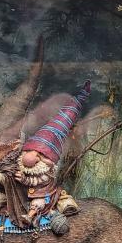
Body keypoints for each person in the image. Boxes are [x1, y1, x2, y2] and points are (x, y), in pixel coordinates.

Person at [14, 80, 90, 234]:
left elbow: (34, 181)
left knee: (38, 203)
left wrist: (24, 179)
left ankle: (30, 216)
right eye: (30, 151)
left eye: (41, 154)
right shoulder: (26, 160)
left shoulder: (46, 173)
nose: (32, 156)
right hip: (28, 192)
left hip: (44, 193)